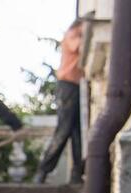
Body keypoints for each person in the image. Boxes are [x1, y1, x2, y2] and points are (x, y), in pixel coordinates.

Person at [34, 19, 84, 184]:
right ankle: (43, 170)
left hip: (75, 87)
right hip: (67, 86)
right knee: (64, 130)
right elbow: (80, 47)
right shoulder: (72, 35)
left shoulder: (75, 34)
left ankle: (77, 174)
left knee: (77, 133)